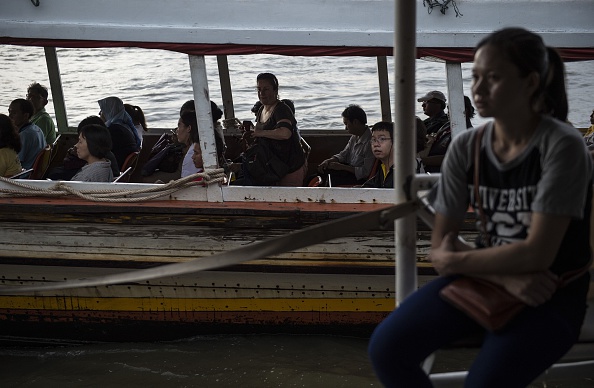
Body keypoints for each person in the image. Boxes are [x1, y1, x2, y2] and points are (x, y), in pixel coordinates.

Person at [368, 27, 592, 387]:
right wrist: (501, 275)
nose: (479, 88)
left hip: (550, 292)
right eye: (475, 76)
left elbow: (537, 255)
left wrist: (456, 258)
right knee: (387, 349)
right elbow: (441, 250)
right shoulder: (467, 147)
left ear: (530, 82)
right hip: (489, 278)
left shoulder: (561, 145)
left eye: (494, 78)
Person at [231, 73, 306, 186]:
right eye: (259, 89)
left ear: (275, 90)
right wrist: (250, 132)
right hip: (272, 166)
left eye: (266, 89)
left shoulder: (282, 109)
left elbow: (285, 133)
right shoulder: (262, 109)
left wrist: (259, 133)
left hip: (290, 167)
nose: (261, 93)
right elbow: (261, 134)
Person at [316, 104, 375, 186]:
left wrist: (342, 167)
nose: (346, 128)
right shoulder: (354, 137)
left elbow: (365, 172)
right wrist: (330, 160)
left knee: (328, 181)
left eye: (346, 124)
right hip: (348, 171)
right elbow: (344, 154)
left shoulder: (370, 143)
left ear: (355, 122)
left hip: (358, 179)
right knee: (320, 172)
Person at [47, 116, 119, 180]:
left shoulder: (88, 176)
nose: (76, 145)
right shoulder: (105, 165)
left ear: (92, 144)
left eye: (80, 142)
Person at [418, 96, 475, 173]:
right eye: (448, 109)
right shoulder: (448, 125)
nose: (448, 112)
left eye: (452, 109)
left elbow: (451, 158)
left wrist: (420, 160)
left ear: (465, 111)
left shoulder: (466, 133)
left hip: (439, 172)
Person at [179, 100, 227, 165]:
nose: (177, 130)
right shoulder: (214, 136)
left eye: (179, 126)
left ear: (189, 127)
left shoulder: (195, 153)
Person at [98, 96, 140, 169]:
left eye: (101, 110)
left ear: (109, 111)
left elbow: (98, 152)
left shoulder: (114, 130)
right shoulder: (124, 126)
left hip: (113, 168)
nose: (99, 114)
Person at [8, 98, 47, 170]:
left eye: (14, 113)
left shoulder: (24, 135)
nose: (10, 116)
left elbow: (15, 162)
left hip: (23, 175)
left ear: (25, 116)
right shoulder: (36, 129)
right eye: (9, 112)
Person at [362, 121, 394, 188]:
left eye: (382, 139)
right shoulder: (383, 169)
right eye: (373, 140)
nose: (376, 144)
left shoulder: (405, 170)